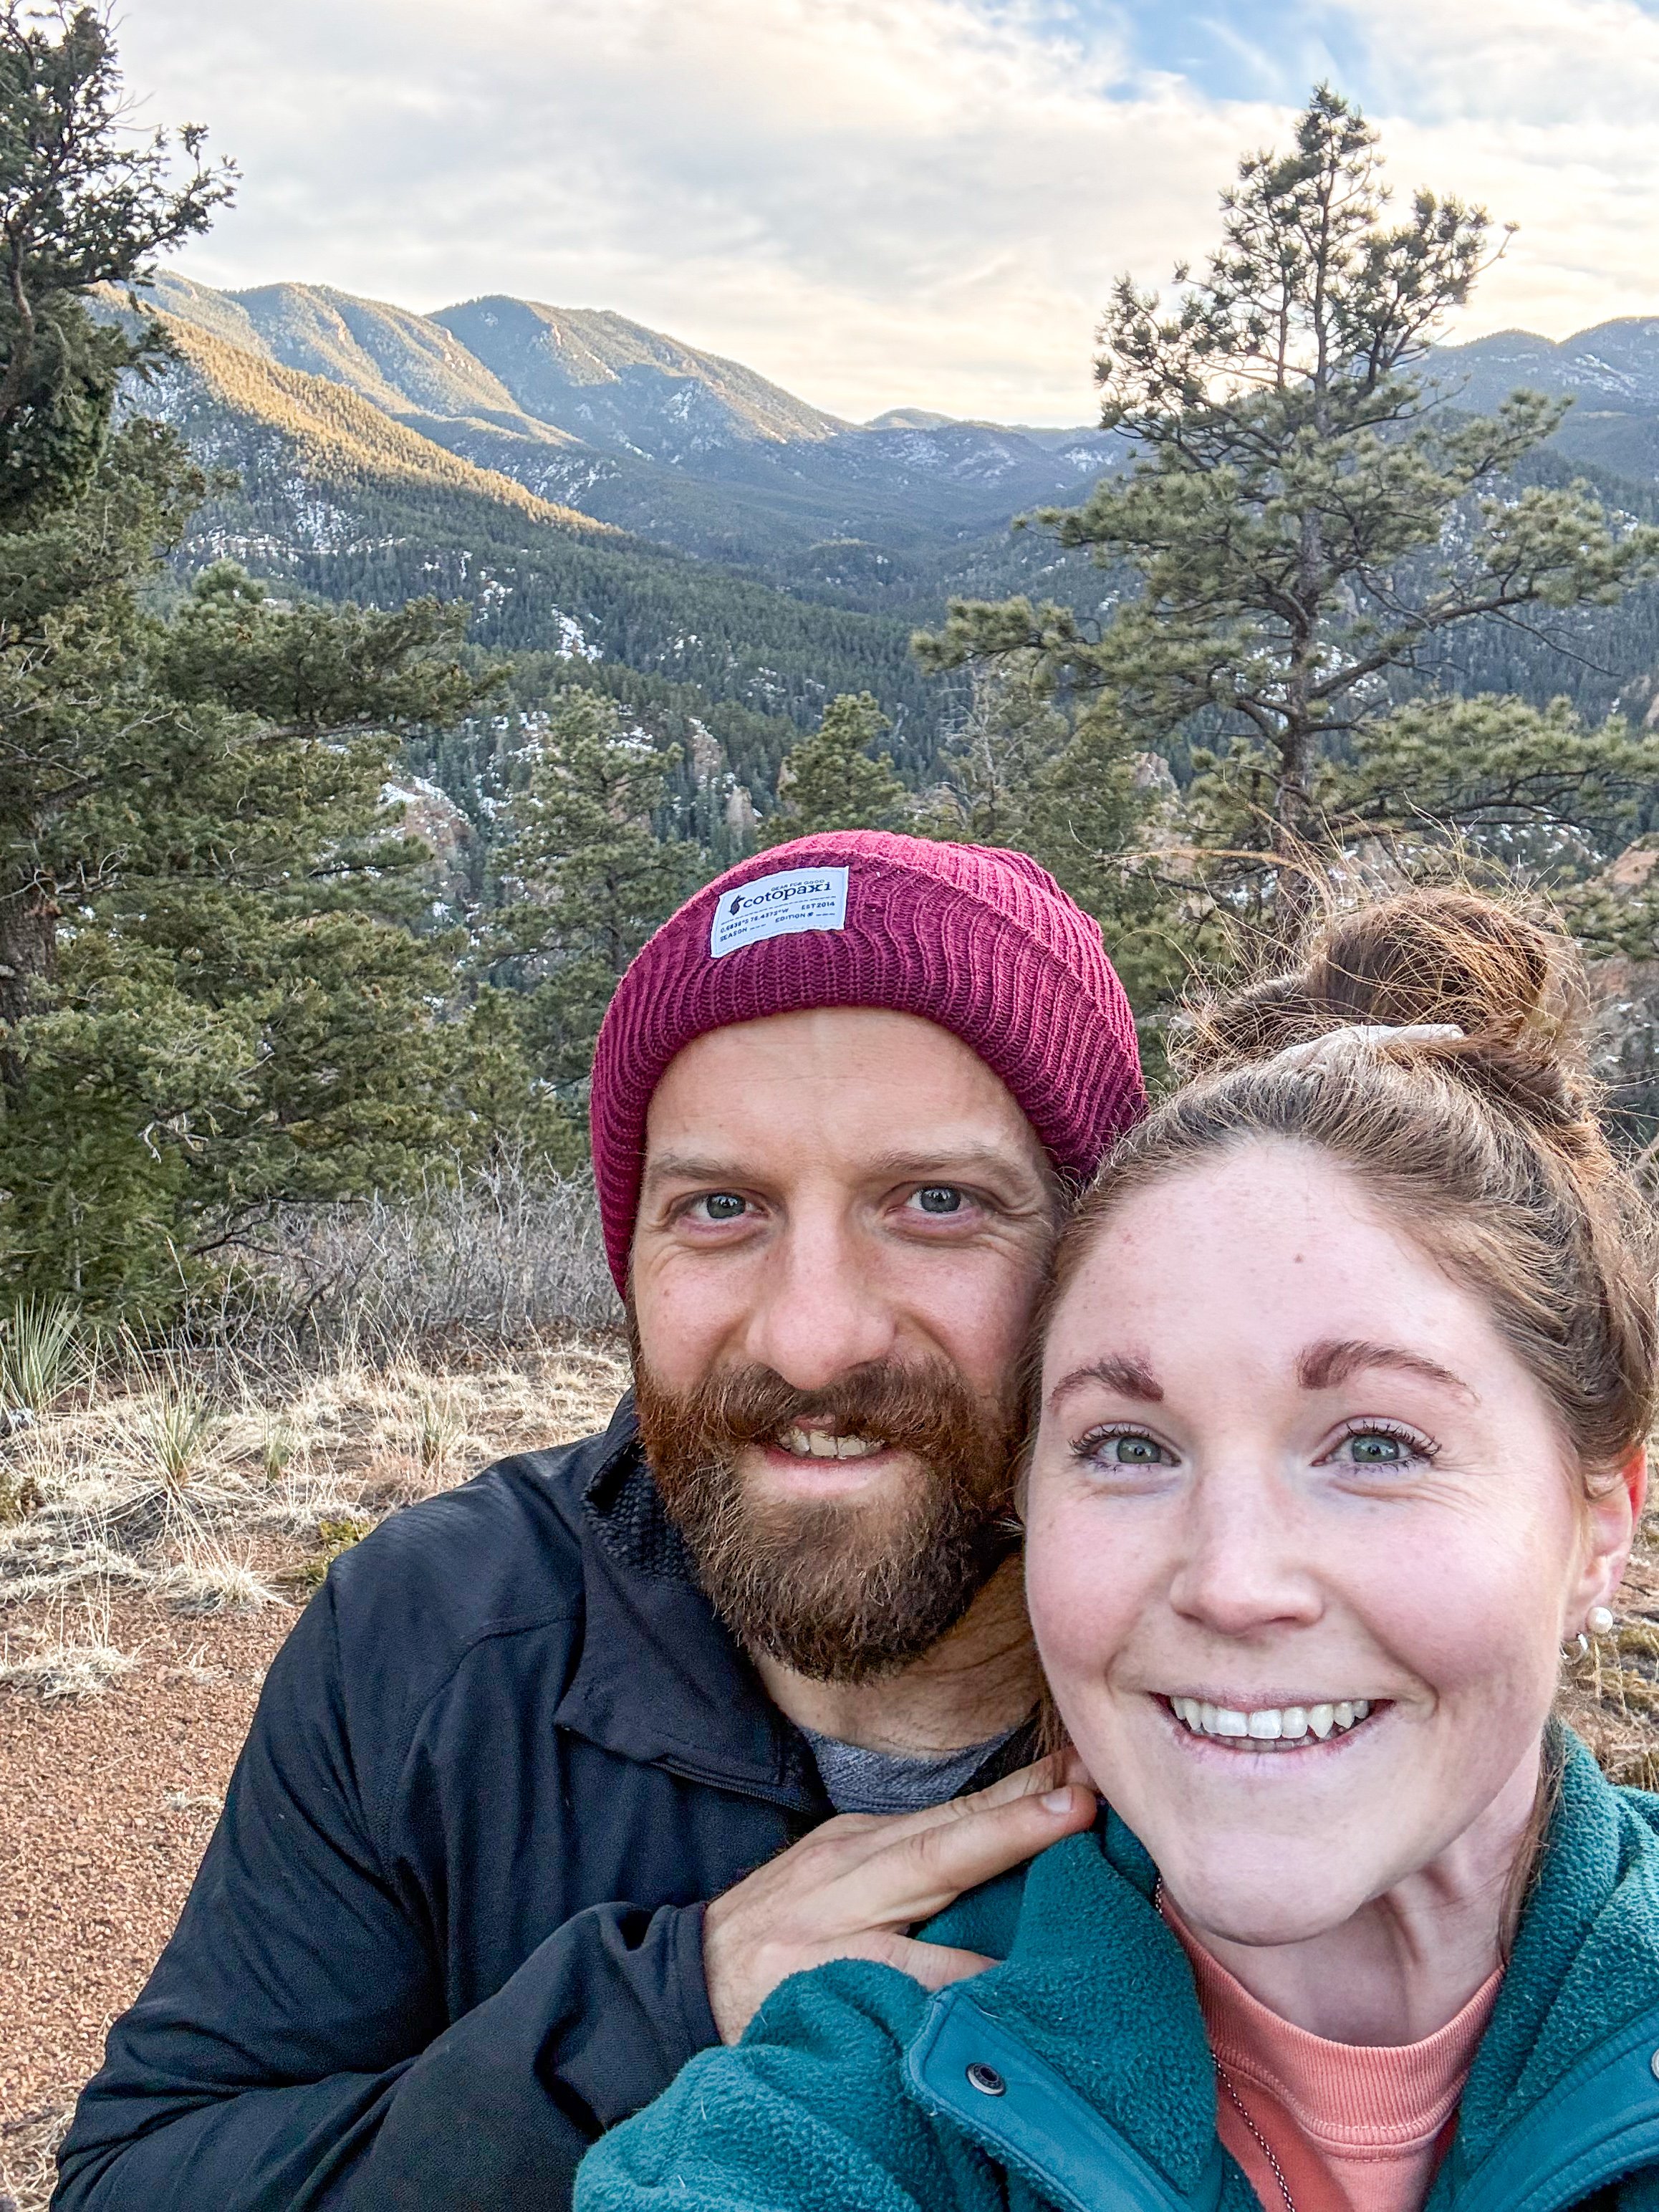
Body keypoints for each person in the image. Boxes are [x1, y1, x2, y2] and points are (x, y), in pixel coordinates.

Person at [54, 830, 1141, 2212]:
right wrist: (659, 2016)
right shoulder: (436, 1632)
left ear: (1093, 1255)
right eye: (720, 1208)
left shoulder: (1250, 1651)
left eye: (937, 1203)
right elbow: (138, 2179)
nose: (813, 1339)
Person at [578, 888, 1659, 2212]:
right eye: (1130, 1446)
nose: (1231, 1582)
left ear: (1602, 1521)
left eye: (1377, 1445)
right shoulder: (867, 2091)